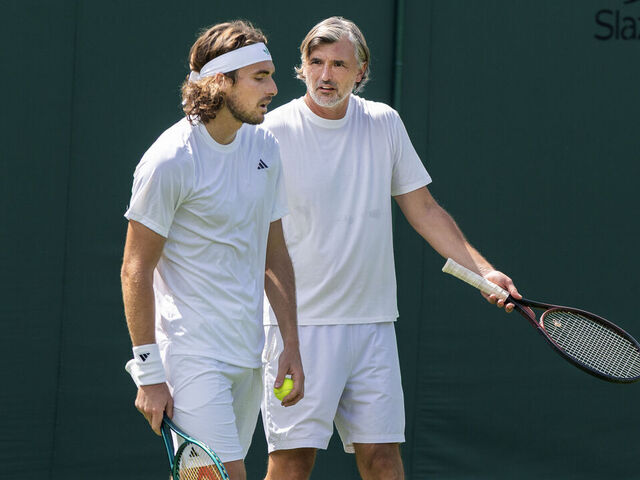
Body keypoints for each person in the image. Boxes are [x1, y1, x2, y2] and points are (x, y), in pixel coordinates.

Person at [260, 16, 521, 480]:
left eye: (338, 64)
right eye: (315, 62)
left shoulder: (384, 123)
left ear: (360, 72)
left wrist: (484, 271)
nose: (325, 75)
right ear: (301, 67)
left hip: (373, 327)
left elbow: (423, 209)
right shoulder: (270, 131)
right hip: (298, 331)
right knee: (292, 463)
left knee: (382, 459)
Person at [120, 21, 304, 480]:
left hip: (248, 354)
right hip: (191, 354)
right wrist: (148, 373)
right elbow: (135, 268)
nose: (274, 87)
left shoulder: (264, 146)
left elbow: (274, 255)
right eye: (259, 76)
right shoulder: (170, 159)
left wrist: (291, 345)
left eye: (271, 74)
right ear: (221, 82)